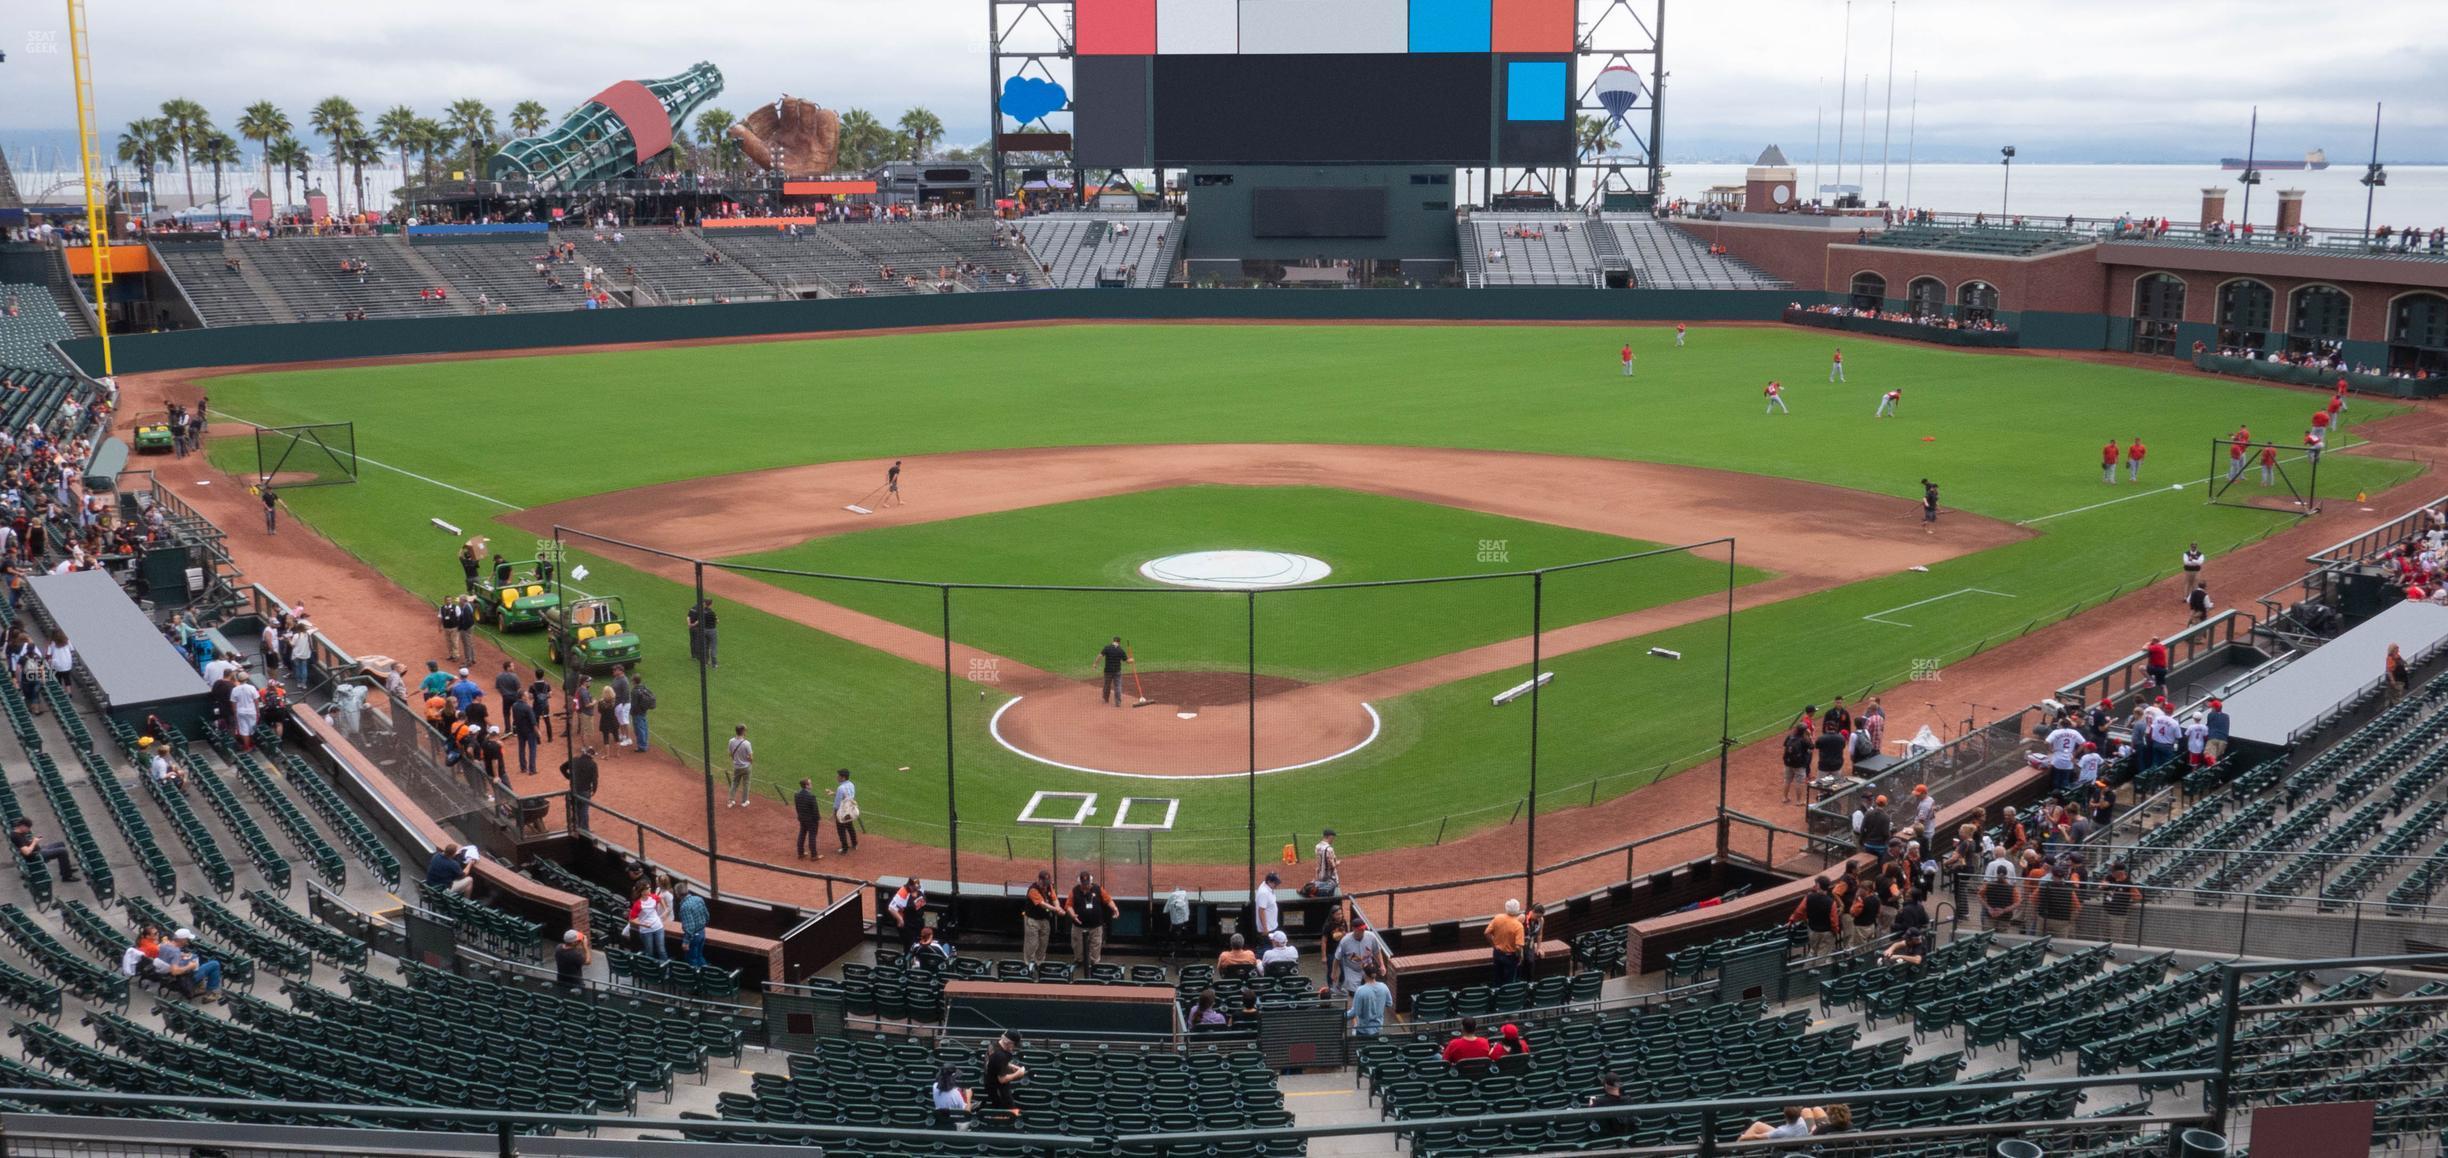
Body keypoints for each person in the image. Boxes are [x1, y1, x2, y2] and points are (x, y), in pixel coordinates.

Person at [1064, 870, 1118, 967]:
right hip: (1079, 926)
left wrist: (1115, 908)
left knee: (1095, 946)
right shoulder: (1074, 891)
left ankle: (1094, 964)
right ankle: (1079, 961)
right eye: (1084, 884)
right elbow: (1068, 906)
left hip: (1095, 926)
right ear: (1080, 882)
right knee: (1078, 946)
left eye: (1088, 883)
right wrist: (1073, 915)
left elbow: (1108, 899)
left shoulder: (1098, 889)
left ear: (1090, 881)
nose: (1086, 886)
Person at [156, 928, 224, 1002]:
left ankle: (199, 986)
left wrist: (181, 955)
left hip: (168, 977)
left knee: (195, 957)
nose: (188, 941)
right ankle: (210, 994)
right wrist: (189, 966)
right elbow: (175, 972)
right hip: (183, 980)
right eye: (187, 939)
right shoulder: (175, 952)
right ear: (183, 940)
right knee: (215, 964)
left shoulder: (163, 945)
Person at [1332, 918, 1393, 994]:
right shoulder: (1345, 941)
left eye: (1363, 929)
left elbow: (1376, 952)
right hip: (1352, 970)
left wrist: (1382, 965)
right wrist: (1334, 973)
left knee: (1370, 991)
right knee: (1354, 993)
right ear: (1353, 929)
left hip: (1368, 968)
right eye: (1360, 929)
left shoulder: (1371, 936)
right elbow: (1337, 958)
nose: (1363, 931)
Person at [10, 817, 75, 882]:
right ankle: (67, 877)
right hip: (35, 856)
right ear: (22, 826)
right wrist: (34, 842)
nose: (29, 830)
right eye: (28, 828)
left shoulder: (19, 832)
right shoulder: (16, 836)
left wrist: (33, 841)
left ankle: (66, 869)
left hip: (38, 850)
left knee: (61, 844)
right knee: (63, 851)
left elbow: (25, 844)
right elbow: (26, 852)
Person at [980, 1031, 1026, 1117]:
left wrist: (1008, 1065)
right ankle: (1007, 1125)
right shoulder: (1001, 1056)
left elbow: (994, 1062)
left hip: (989, 1081)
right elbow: (1002, 1079)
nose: (1014, 1047)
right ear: (1008, 1043)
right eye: (1014, 1045)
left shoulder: (993, 1045)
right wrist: (1019, 1073)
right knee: (1009, 1111)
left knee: (1000, 1106)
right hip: (998, 1088)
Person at [1485, 899, 1526, 984]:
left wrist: (1494, 945)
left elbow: (1486, 933)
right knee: (1509, 981)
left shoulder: (1498, 918)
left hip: (1497, 953)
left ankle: (1497, 994)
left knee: (1497, 978)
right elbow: (1518, 947)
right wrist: (1520, 956)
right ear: (1517, 910)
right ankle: (1507, 996)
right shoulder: (1518, 926)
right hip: (1511, 956)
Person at [628, 881, 669, 961]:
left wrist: (666, 909)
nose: (650, 888)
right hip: (646, 930)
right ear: (642, 891)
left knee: (662, 950)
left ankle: (666, 969)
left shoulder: (653, 897)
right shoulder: (637, 904)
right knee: (649, 952)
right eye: (647, 888)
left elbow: (660, 899)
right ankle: (650, 969)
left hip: (658, 927)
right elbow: (631, 920)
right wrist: (643, 924)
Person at [1346, 965, 1391, 1037]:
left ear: (1364, 974)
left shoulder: (1360, 990)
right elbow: (1389, 1003)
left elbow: (1355, 1012)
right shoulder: (1384, 987)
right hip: (1377, 1028)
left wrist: (1341, 1017)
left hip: (1363, 1030)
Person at [676, 881, 711, 967]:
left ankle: (696, 979)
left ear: (677, 894)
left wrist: (686, 942)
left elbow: (690, 927)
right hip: (702, 932)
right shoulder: (698, 899)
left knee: (692, 959)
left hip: (693, 937)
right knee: (699, 956)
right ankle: (706, 974)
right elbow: (707, 916)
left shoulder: (684, 907)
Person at [562, 745, 597, 830]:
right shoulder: (592, 764)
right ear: (591, 755)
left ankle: (575, 827)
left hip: (574, 789)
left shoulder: (574, 760)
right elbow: (595, 779)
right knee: (584, 810)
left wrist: (569, 777)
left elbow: (562, 767)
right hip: (585, 790)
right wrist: (594, 790)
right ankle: (585, 830)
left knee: (575, 808)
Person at [887, 880, 926, 954]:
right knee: (909, 946)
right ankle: (908, 961)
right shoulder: (903, 892)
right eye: (914, 887)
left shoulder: (920, 889)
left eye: (917, 886)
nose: (916, 888)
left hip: (917, 921)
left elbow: (921, 903)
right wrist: (900, 919)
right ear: (910, 886)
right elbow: (891, 908)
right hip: (907, 923)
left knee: (917, 944)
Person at [792, 778, 824, 859]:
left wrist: (800, 816)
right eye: (810, 783)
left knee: (802, 834)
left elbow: (797, 807)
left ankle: (800, 853)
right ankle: (814, 855)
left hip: (802, 818)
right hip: (811, 820)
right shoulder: (811, 797)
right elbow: (815, 810)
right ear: (806, 786)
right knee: (812, 836)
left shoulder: (797, 794)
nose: (811, 785)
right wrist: (817, 819)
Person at [1096, 636, 1131, 708]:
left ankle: (1105, 699)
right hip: (1117, 671)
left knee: (1106, 685)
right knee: (1117, 686)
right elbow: (1127, 661)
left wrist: (1095, 664)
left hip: (1108, 670)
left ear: (1113, 640)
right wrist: (1132, 660)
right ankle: (1118, 702)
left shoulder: (1107, 648)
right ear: (1119, 642)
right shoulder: (1121, 650)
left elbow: (1100, 656)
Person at [832, 768, 860, 853]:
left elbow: (837, 803)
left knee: (841, 829)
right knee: (850, 826)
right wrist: (833, 794)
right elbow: (849, 797)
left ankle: (844, 848)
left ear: (843, 778)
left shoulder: (840, 788)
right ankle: (854, 844)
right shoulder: (851, 784)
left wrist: (834, 812)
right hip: (850, 809)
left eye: (839, 776)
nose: (837, 777)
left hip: (841, 811)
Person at [725, 724, 753, 807]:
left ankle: (730, 801)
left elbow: (730, 753)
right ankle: (744, 801)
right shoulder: (747, 743)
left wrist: (735, 759)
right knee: (746, 784)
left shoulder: (731, 741)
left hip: (736, 766)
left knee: (734, 783)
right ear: (743, 731)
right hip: (746, 767)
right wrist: (750, 762)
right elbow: (751, 757)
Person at [1309, 829, 1340, 896]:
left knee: (1321, 892)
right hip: (1330, 877)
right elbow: (1332, 865)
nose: (1333, 840)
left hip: (1320, 875)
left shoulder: (1317, 846)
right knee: (1333, 893)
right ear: (1329, 837)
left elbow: (1318, 861)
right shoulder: (1329, 849)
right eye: (1333, 838)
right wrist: (1337, 863)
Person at [1253, 872, 1281, 942]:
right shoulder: (1264, 893)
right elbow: (1261, 911)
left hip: (1271, 926)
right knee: (1266, 948)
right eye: (1275, 883)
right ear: (1268, 881)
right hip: (1268, 929)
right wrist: (1265, 929)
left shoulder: (1266, 886)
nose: (1276, 885)